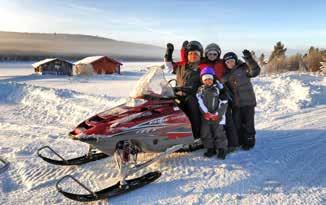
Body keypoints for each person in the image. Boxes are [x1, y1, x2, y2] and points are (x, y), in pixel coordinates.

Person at [222, 50, 260, 150]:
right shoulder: (226, 75)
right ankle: (240, 141)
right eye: (227, 62)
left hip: (248, 102)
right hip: (236, 104)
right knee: (237, 123)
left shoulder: (244, 68)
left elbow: (255, 71)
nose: (230, 64)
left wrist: (249, 59)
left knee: (248, 123)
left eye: (231, 61)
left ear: (235, 61)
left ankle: (249, 142)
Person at [164, 41, 204, 139]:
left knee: (192, 108)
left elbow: (207, 81)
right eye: (190, 54)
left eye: (196, 54)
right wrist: (168, 54)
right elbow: (169, 68)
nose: (193, 56)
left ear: (200, 55)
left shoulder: (202, 67)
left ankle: (196, 135)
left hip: (193, 96)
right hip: (178, 94)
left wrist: (198, 89)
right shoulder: (181, 66)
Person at [196, 67, 228, 159]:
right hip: (206, 117)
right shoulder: (200, 90)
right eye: (206, 80)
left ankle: (222, 149)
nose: (208, 81)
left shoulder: (218, 89)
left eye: (210, 79)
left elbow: (224, 103)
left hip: (217, 116)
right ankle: (210, 149)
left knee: (219, 133)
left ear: (213, 79)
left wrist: (217, 114)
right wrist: (206, 113)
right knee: (206, 133)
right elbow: (200, 102)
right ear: (203, 81)